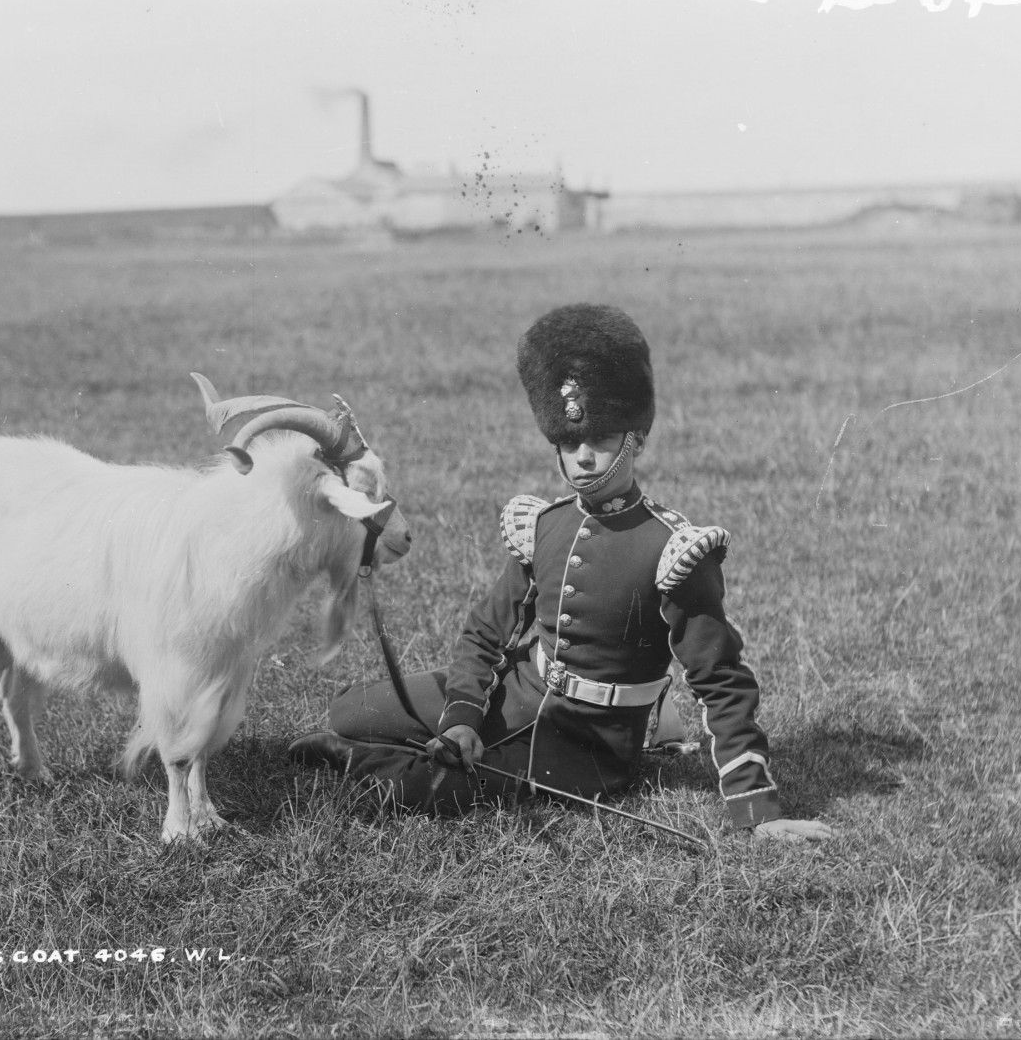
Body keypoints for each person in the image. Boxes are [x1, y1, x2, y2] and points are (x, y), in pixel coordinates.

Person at [289, 304, 833, 842]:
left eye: (599, 439)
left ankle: (358, 762)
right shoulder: (545, 524)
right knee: (350, 710)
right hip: (520, 691)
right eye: (569, 443)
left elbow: (723, 684)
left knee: (416, 786)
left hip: (587, 746)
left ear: (635, 439)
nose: (583, 458)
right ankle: (406, 740)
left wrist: (756, 808)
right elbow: (485, 631)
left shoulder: (672, 548)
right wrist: (462, 717)